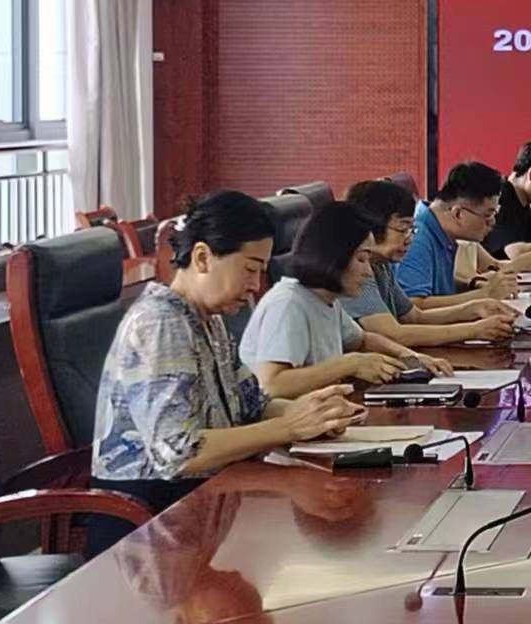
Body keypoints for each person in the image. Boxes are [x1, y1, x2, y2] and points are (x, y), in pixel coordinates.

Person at [90, 190, 362, 546]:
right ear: (203, 257)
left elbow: (252, 404)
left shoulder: (210, 320)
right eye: (250, 269)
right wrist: (289, 426)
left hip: (208, 498)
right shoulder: (160, 323)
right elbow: (181, 452)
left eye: (261, 272)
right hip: (151, 522)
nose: (255, 286)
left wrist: (316, 414)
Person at [242, 201, 446, 398]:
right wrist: (351, 364)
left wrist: (410, 357)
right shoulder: (288, 303)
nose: (368, 272)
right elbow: (272, 385)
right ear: (334, 255)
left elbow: (362, 340)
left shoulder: (326, 300)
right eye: (361, 259)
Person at [343, 179, 517, 348]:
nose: (409, 238)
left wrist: (475, 308)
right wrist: (474, 330)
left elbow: (413, 317)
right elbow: (393, 334)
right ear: (372, 226)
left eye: (411, 229)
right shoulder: (353, 270)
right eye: (403, 229)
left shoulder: (380, 264)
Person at [396, 162, 523, 301]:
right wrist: (485, 294)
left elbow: (434, 286)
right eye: (488, 215)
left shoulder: (439, 227)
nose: (492, 222)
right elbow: (414, 304)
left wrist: (472, 285)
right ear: (458, 214)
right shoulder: (416, 238)